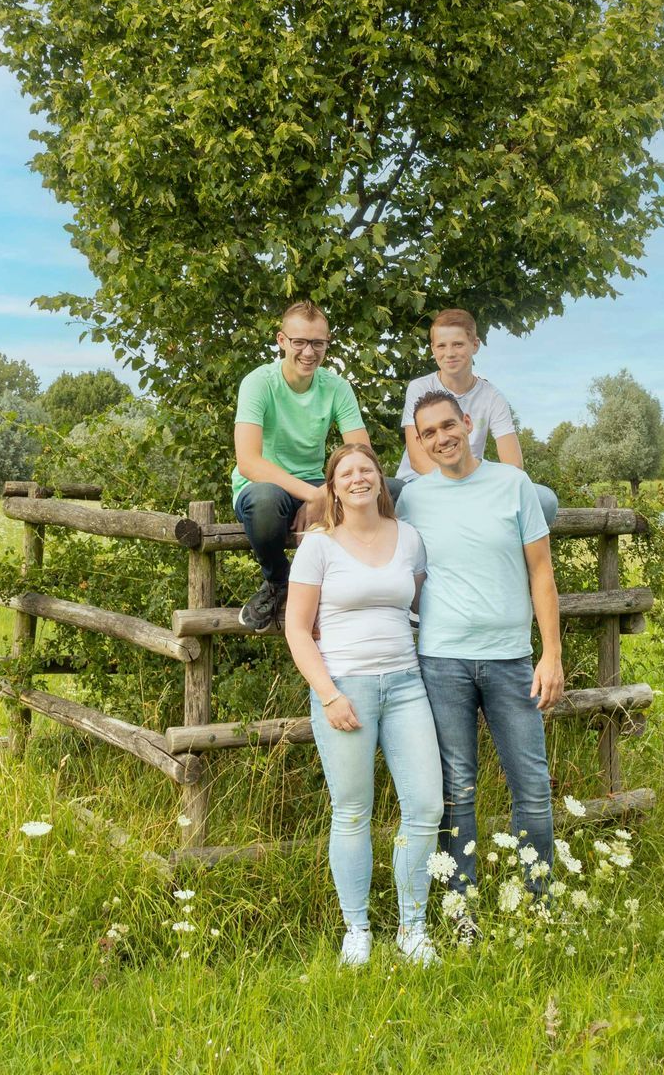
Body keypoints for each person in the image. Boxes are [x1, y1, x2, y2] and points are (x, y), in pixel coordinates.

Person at [396, 388, 563, 936]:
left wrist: (551, 654)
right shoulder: (413, 500)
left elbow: (541, 572)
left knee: (532, 787)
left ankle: (539, 902)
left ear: (467, 423)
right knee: (457, 790)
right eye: (428, 433)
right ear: (419, 443)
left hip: (511, 659)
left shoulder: (514, 485)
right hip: (442, 661)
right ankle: (460, 909)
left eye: (448, 425)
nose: (441, 438)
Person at [284, 444, 442, 967]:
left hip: (406, 685)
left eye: (366, 470)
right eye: (346, 473)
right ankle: (358, 930)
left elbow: (416, 604)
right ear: (332, 488)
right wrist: (328, 694)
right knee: (352, 811)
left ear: (380, 479)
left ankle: (413, 928)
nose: (358, 479)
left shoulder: (409, 538)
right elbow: (297, 630)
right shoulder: (318, 545)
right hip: (344, 687)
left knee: (426, 807)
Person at [232, 301, 380, 631]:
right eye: (299, 342)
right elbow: (248, 462)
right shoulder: (258, 382)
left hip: (316, 482)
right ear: (281, 340)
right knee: (265, 501)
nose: (309, 352)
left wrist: (327, 490)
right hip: (264, 485)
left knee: (395, 492)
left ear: (327, 343)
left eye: (317, 343)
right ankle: (278, 581)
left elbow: (363, 457)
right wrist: (316, 496)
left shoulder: (337, 387)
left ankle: (372, 583)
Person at [396, 308, 557, 526]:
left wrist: (476, 488)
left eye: (458, 344)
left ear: (475, 345)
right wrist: (460, 489)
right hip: (422, 481)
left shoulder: (492, 397)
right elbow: (418, 460)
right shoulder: (419, 388)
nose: (449, 353)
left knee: (545, 500)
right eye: (441, 346)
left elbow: (513, 465)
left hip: (475, 482)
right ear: (433, 349)